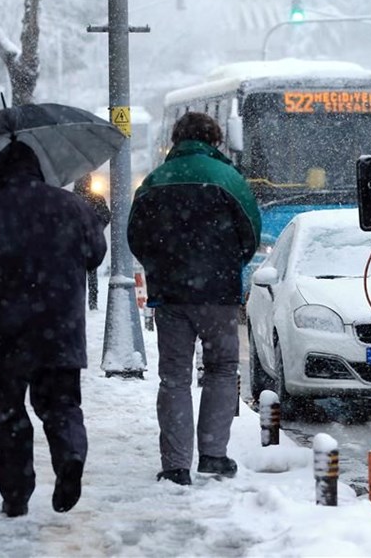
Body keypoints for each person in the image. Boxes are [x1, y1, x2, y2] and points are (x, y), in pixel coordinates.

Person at [0, 139, 107, 517]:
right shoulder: (71, 205)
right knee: (62, 403)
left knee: (8, 413)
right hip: (62, 329)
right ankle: (70, 453)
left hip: (7, 333)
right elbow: (96, 255)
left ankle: (16, 494)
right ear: (40, 168)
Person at [126, 112, 261, 486]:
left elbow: (135, 235)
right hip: (217, 293)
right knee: (220, 369)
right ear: (215, 140)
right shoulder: (229, 179)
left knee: (174, 378)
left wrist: (159, 266)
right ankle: (214, 455)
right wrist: (228, 264)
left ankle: (176, 466)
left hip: (170, 295)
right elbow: (251, 232)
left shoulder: (155, 181)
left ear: (177, 140)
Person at [73, 173, 112, 310]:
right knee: (92, 272)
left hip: (75, 242)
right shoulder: (96, 199)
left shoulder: (71, 199)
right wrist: (97, 228)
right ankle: (92, 301)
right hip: (91, 241)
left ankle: (79, 301)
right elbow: (107, 216)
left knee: (76, 273)